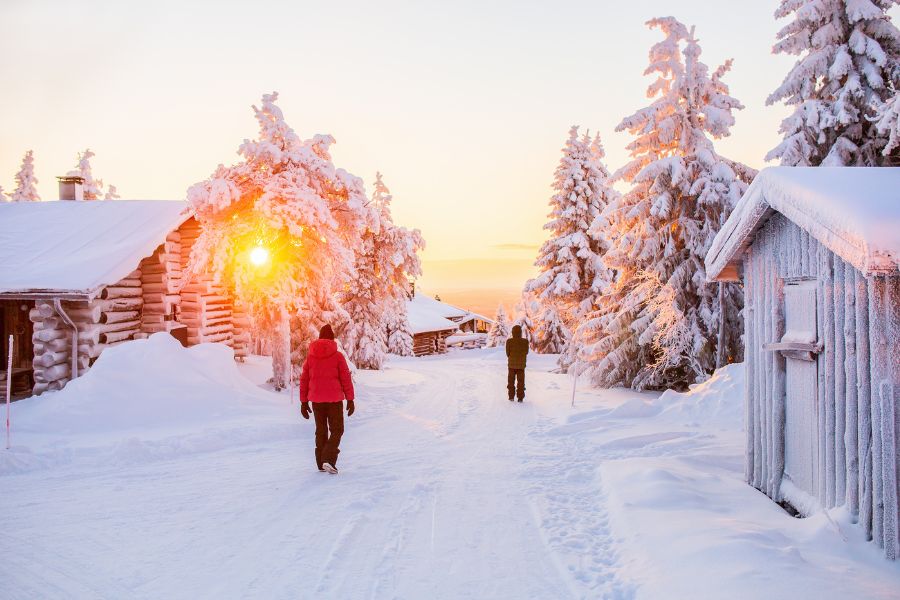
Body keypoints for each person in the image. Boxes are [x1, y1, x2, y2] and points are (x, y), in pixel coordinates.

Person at [299, 324, 355, 474]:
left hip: (316, 401)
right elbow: (345, 379)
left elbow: (304, 380)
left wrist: (303, 402)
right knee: (337, 429)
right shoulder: (337, 356)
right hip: (334, 400)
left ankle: (320, 462)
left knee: (321, 430)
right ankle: (328, 459)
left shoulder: (310, 357)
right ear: (332, 338)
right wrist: (350, 399)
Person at [506, 324, 529, 402]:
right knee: (521, 382)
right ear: (520, 332)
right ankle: (520, 398)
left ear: (512, 332)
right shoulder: (525, 341)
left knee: (511, 381)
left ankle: (511, 397)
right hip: (521, 366)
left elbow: (507, 353)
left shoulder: (509, 341)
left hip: (511, 365)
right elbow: (526, 352)